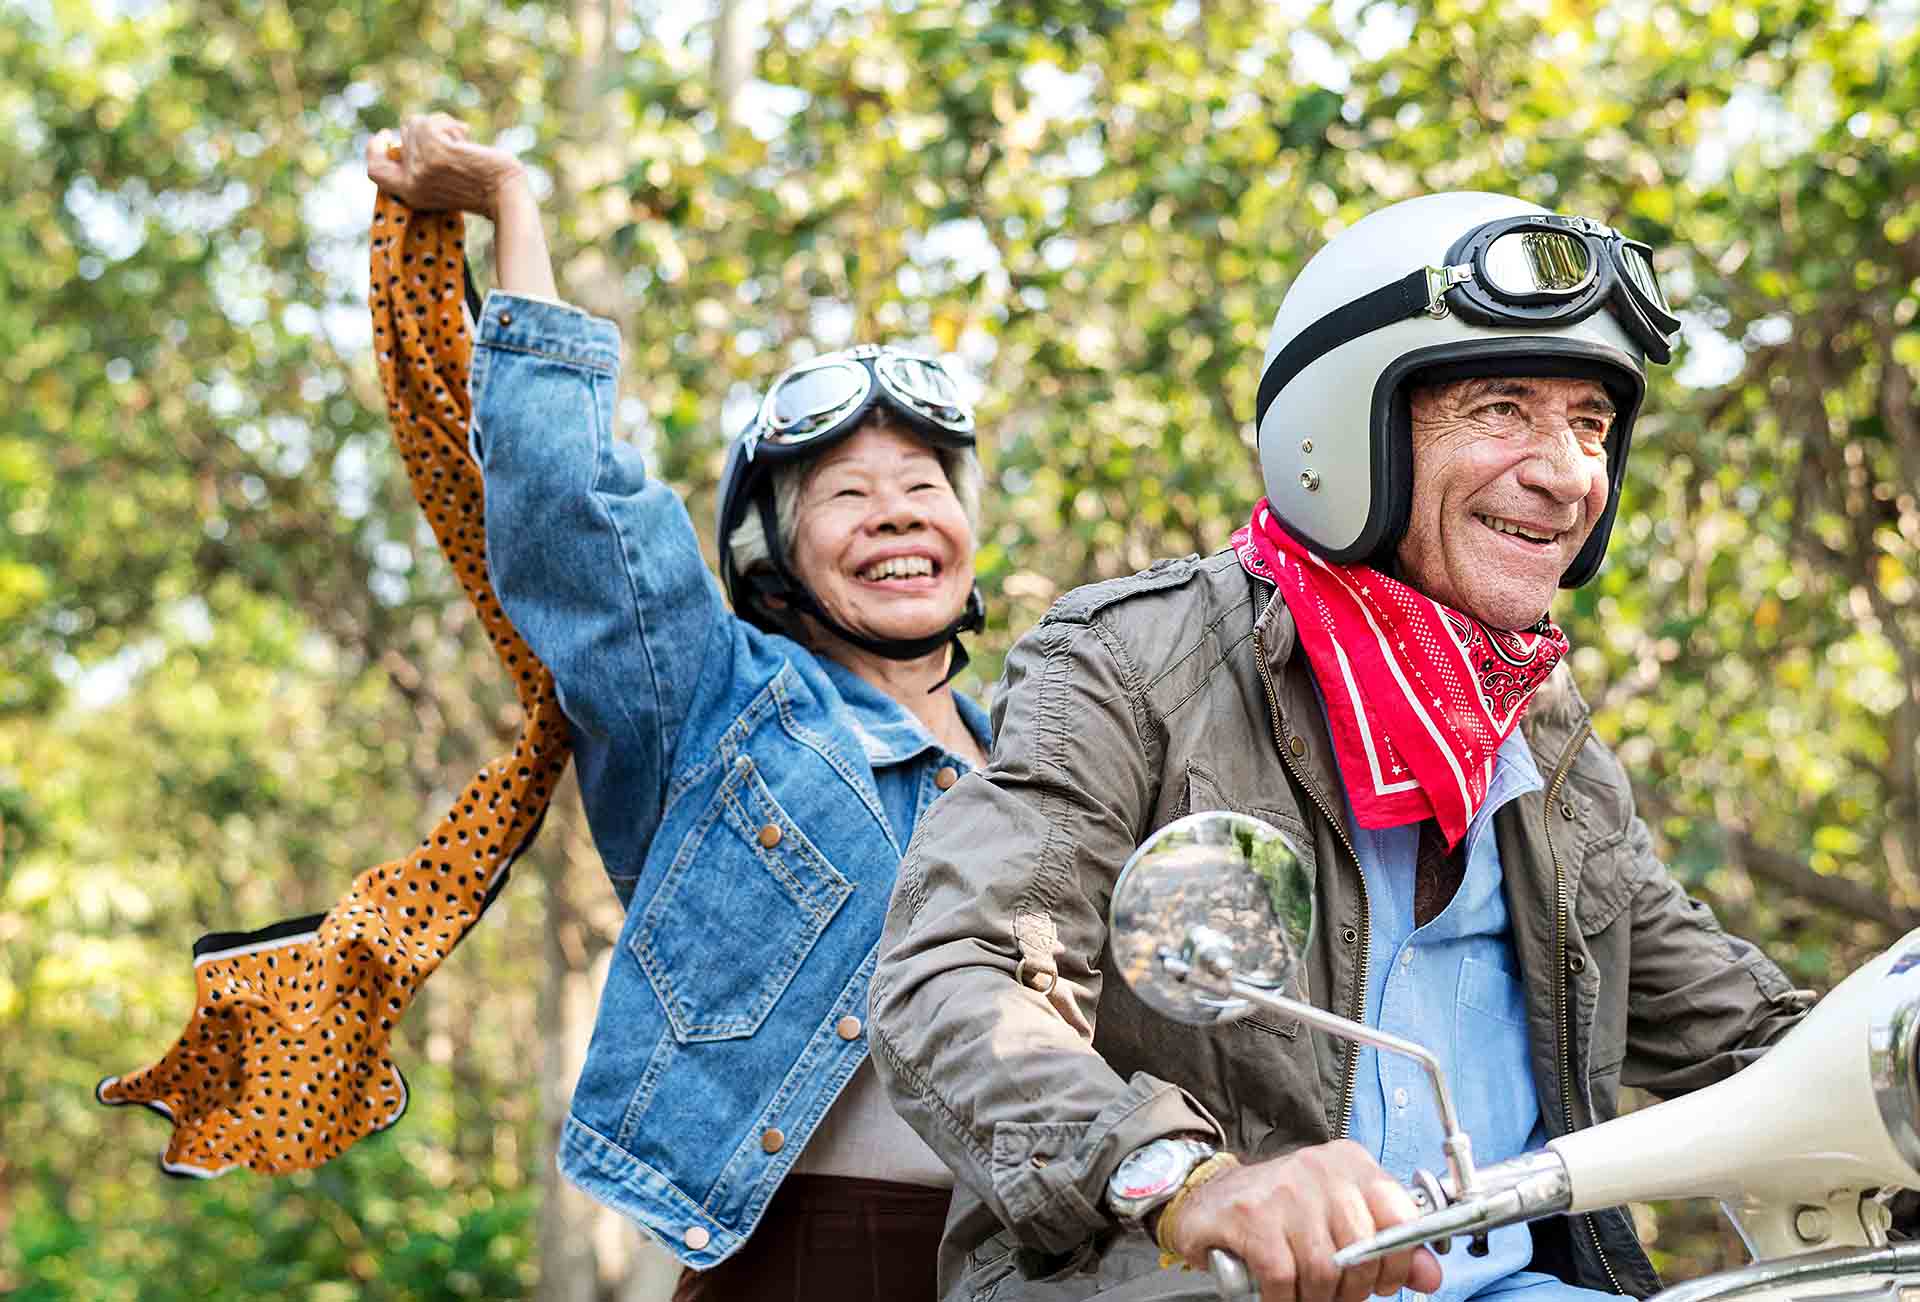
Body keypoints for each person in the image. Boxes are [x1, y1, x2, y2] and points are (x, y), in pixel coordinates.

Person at [868, 191, 1811, 1302]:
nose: (1568, 473)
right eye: (1503, 408)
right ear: (1342, 426)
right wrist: (1181, 1178)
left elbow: (1748, 1033)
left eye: (1592, 423)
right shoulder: (1135, 664)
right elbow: (958, 972)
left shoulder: (1541, 738)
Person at [365, 113, 994, 1302]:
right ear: (771, 551)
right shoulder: (719, 707)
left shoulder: (1050, 750)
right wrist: (512, 203)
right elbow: (569, 501)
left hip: (1037, 1266)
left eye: (923, 485)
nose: (900, 512)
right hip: (802, 1264)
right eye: (848, 494)